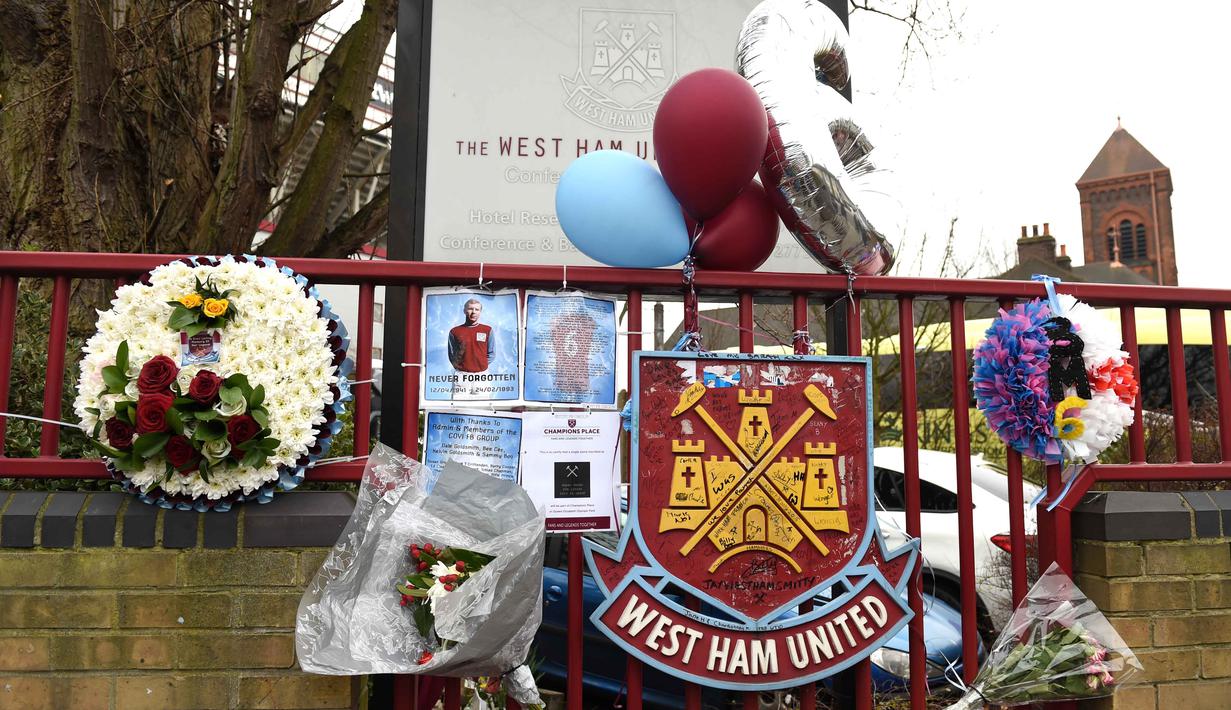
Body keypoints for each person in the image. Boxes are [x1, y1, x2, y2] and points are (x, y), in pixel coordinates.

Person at [448, 298, 494, 373]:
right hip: (461, 374)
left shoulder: (488, 330)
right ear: (464, 311)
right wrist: (460, 367)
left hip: (482, 374)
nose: (474, 312)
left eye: (477, 309)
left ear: (480, 312)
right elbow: (451, 354)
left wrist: (481, 365)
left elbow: (491, 353)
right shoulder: (454, 331)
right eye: (470, 309)